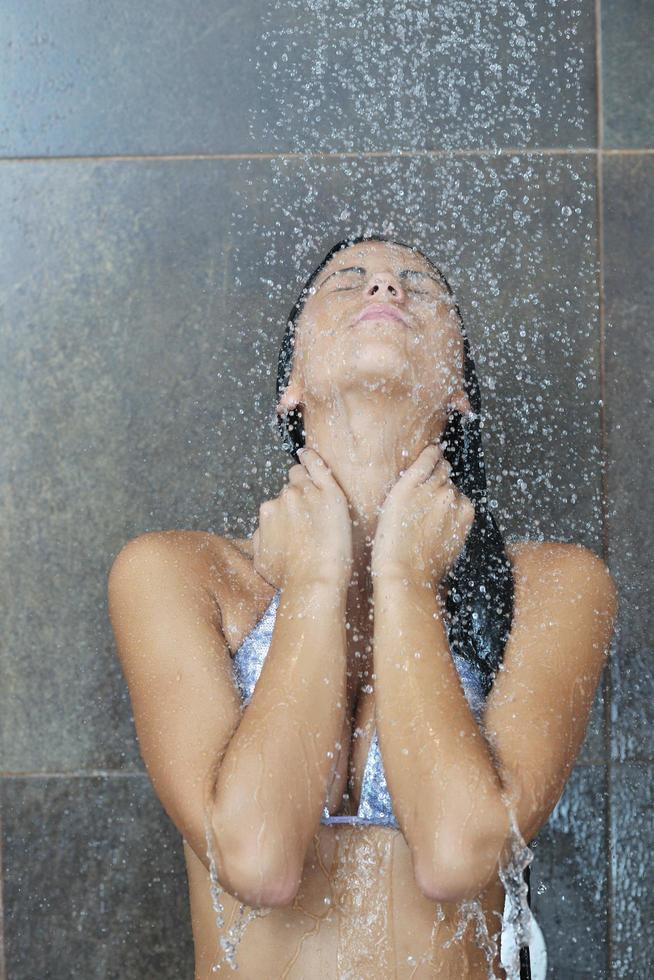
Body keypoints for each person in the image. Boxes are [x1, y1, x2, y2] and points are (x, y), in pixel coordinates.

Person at [107, 236, 618, 979]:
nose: (385, 290)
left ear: (459, 391)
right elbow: (257, 861)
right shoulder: (179, 577)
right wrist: (315, 575)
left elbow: (456, 853)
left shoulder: (554, 586)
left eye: (417, 283)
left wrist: (405, 578)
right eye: (347, 281)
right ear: (291, 381)